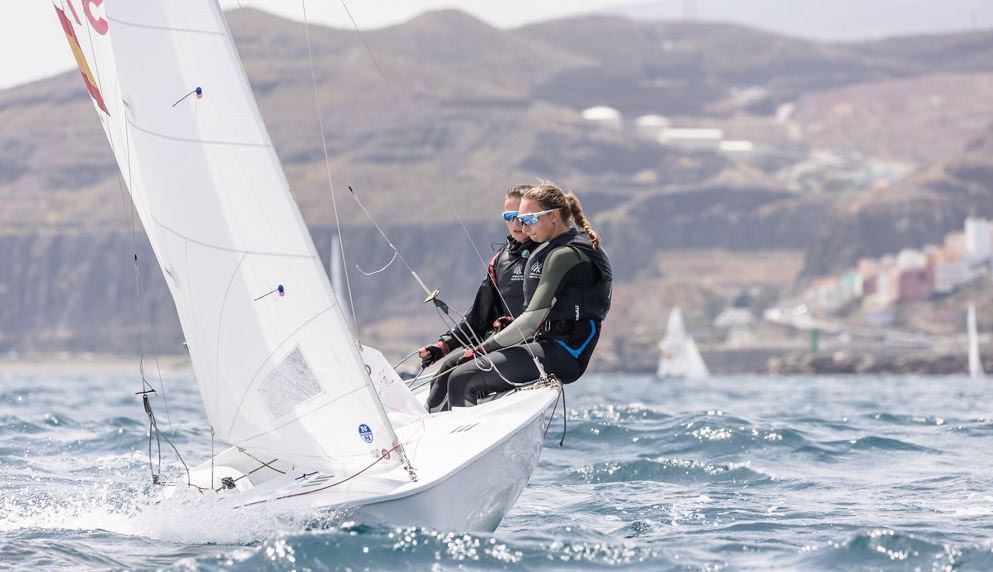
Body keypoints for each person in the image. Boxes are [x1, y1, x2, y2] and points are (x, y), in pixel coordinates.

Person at [445, 183, 612, 407]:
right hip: (548, 346)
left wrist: (483, 348)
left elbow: (530, 322)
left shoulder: (564, 254)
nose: (523, 228)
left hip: (566, 352)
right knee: (453, 368)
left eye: (530, 219)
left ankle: (462, 439)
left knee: (462, 378)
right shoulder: (552, 247)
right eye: (520, 220)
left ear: (554, 216)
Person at [418, 184, 538, 411]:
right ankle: (429, 423)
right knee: (449, 364)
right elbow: (478, 318)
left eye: (522, 216)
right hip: (501, 345)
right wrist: (442, 346)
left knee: (458, 370)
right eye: (509, 216)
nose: (516, 223)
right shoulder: (500, 261)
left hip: (532, 349)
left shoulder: (546, 254)